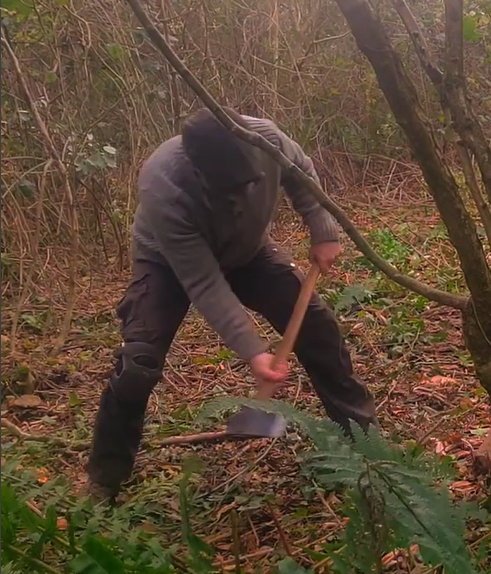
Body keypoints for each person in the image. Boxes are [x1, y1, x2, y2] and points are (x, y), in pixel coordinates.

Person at [83, 106, 378, 504]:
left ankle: (364, 443)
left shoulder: (266, 138)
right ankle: (106, 477)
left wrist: (322, 229)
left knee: (317, 327)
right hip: (166, 263)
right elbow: (204, 282)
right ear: (200, 173)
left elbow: (301, 172)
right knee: (139, 362)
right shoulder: (164, 185)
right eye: (228, 191)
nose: (241, 198)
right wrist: (255, 353)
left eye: (248, 185)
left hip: (248, 252)